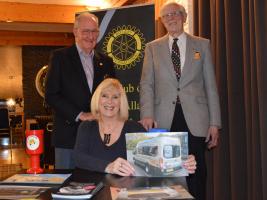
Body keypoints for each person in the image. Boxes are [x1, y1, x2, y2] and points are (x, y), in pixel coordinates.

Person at [139, 1, 221, 200]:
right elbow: (146, 84)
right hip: (163, 119)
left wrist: (215, 123)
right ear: (162, 21)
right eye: (166, 16)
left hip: (196, 119)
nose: (171, 18)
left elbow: (210, 85)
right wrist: (147, 114)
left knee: (196, 171)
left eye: (175, 13)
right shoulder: (152, 48)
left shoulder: (202, 44)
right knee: (165, 171)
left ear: (184, 17)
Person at [74, 78, 197, 176]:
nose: (110, 101)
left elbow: (156, 157)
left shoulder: (134, 128)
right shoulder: (86, 127)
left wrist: (183, 161)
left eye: (115, 97)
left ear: (121, 102)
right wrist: (109, 167)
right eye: (105, 96)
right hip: (93, 191)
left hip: (126, 192)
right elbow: (79, 158)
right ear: (97, 99)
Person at [45, 12, 115, 169]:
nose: (90, 36)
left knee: (97, 185)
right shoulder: (60, 58)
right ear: (75, 32)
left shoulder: (107, 62)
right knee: (66, 186)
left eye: (94, 31)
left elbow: (114, 95)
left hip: (99, 137)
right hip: (68, 137)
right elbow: (51, 95)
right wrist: (80, 115)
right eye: (86, 31)